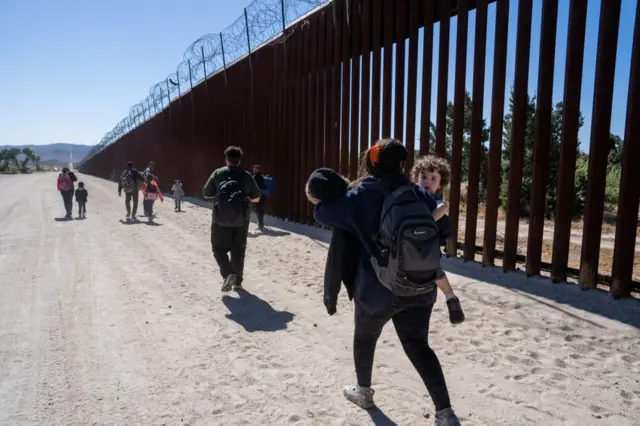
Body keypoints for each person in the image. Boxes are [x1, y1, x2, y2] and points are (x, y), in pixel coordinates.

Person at [310, 139, 461, 426]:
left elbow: (322, 212)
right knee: (419, 346)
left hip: (376, 289)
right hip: (420, 286)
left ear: (372, 162)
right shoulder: (419, 193)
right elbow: (444, 228)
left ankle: (364, 393)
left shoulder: (359, 196)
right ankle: (445, 414)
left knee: (365, 338)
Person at [412, 155, 465, 325]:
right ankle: (449, 295)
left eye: (433, 178)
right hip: (411, 244)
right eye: (423, 177)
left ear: (441, 184)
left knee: (434, 269)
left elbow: (442, 217)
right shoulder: (412, 195)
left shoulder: (437, 202)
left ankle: (450, 296)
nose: (427, 181)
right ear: (416, 178)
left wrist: (427, 221)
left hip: (427, 245)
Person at [202, 146, 261, 292]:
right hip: (242, 219)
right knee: (238, 250)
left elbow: (206, 193)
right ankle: (238, 283)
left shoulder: (218, 173)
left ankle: (228, 273)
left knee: (218, 249)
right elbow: (257, 198)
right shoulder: (247, 176)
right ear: (239, 160)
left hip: (219, 219)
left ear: (226, 159)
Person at [252, 165, 266, 230]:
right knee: (260, 209)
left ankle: (261, 225)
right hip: (263, 195)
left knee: (258, 210)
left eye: (254, 169)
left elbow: (254, 186)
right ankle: (261, 224)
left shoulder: (255, 177)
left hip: (257, 195)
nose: (253, 170)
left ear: (258, 170)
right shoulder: (262, 176)